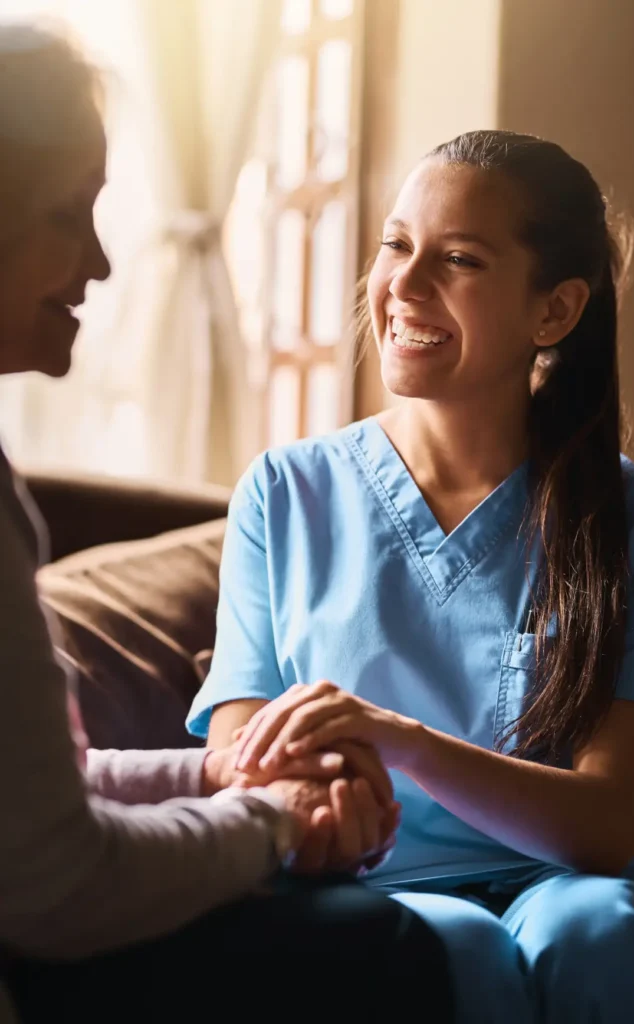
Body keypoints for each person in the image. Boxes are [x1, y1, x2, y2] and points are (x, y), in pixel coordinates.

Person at [189, 128, 634, 1022]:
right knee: (453, 949)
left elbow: (604, 828)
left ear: (554, 312)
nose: (404, 283)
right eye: (397, 244)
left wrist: (400, 740)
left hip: (563, 888)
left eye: (459, 258)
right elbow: (236, 766)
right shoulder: (283, 495)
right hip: (363, 892)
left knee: (604, 938)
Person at [0, 23, 454, 1024]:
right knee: (379, 951)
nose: (102, 261)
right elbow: (52, 882)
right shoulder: (284, 494)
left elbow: (39, 796)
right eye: (66, 215)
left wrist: (211, 772)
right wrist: (270, 819)